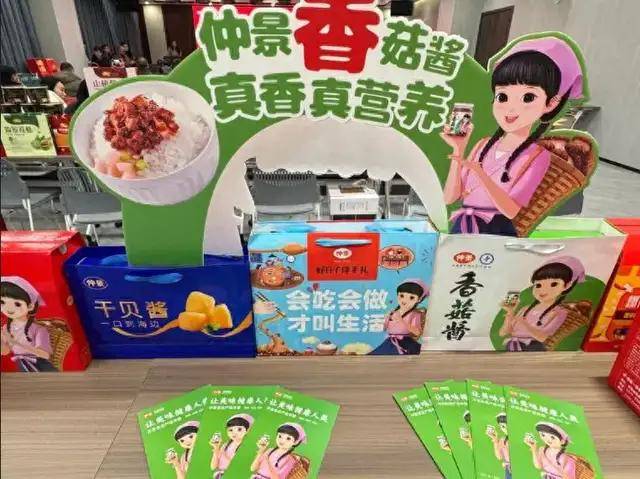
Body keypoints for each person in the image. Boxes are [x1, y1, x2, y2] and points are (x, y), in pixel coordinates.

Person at [441, 36, 585, 236]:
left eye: (528, 97)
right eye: (502, 96)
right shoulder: (482, 145)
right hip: (462, 226)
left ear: (551, 103)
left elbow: (510, 210)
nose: (511, 108)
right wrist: (458, 149)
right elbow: (450, 198)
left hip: (496, 231)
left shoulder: (537, 157)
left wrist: (481, 174)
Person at [499, 256, 585, 351]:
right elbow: (503, 333)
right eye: (538, 285)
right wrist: (510, 312)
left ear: (567, 286)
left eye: (553, 284)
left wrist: (525, 324)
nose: (543, 290)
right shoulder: (525, 309)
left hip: (533, 348)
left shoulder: (559, 312)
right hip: (512, 346)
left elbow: (543, 338)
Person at [1, 277, 56, 372]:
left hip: (40, 366)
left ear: (30, 306)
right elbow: (5, 352)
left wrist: (16, 343)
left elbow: (45, 355)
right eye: (2, 302)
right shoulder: (6, 328)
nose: (8, 308)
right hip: (21, 365)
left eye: (17, 304)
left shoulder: (39, 329)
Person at [370, 279, 429, 355]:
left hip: (406, 342)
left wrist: (401, 321)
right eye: (401, 296)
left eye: (411, 297)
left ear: (419, 299)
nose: (404, 300)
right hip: (389, 342)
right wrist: (386, 319)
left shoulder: (415, 314)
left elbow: (417, 332)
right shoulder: (393, 312)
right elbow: (384, 329)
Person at [210, 414, 254, 478]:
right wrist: (216, 448)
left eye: (239, 429)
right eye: (230, 430)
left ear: (247, 430)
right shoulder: (225, 445)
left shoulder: (248, 447)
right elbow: (213, 467)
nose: (234, 433)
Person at [487, 413, 511, 479]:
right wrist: (495, 440)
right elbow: (499, 456)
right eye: (502, 426)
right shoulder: (503, 440)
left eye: (507, 425)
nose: (505, 428)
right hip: (508, 470)